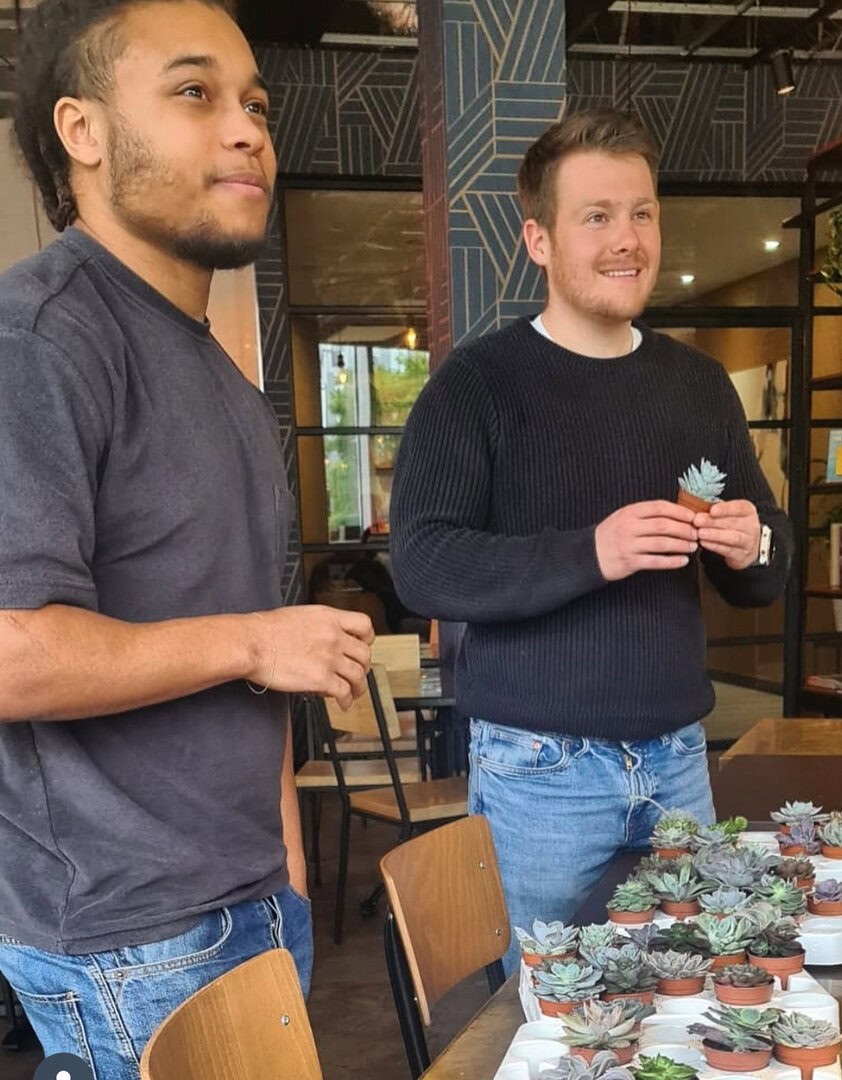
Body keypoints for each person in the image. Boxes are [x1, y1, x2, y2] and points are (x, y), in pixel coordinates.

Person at [0, 1, 374, 1075]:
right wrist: (256, 640)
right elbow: (12, 651)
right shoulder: (37, 339)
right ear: (83, 130)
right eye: (195, 93)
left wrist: (286, 873)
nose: (248, 128)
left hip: (250, 900)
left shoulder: (217, 372)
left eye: (255, 102)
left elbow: (248, 670)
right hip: (131, 937)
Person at [390, 108, 792, 972]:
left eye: (641, 213)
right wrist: (593, 553)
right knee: (554, 1014)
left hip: (680, 760)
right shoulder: (477, 385)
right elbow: (422, 564)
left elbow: (764, 574)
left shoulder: (699, 386)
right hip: (540, 773)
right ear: (539, 239)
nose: (627, 239)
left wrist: (751, 542)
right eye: (597, 216)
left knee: (697, 996)